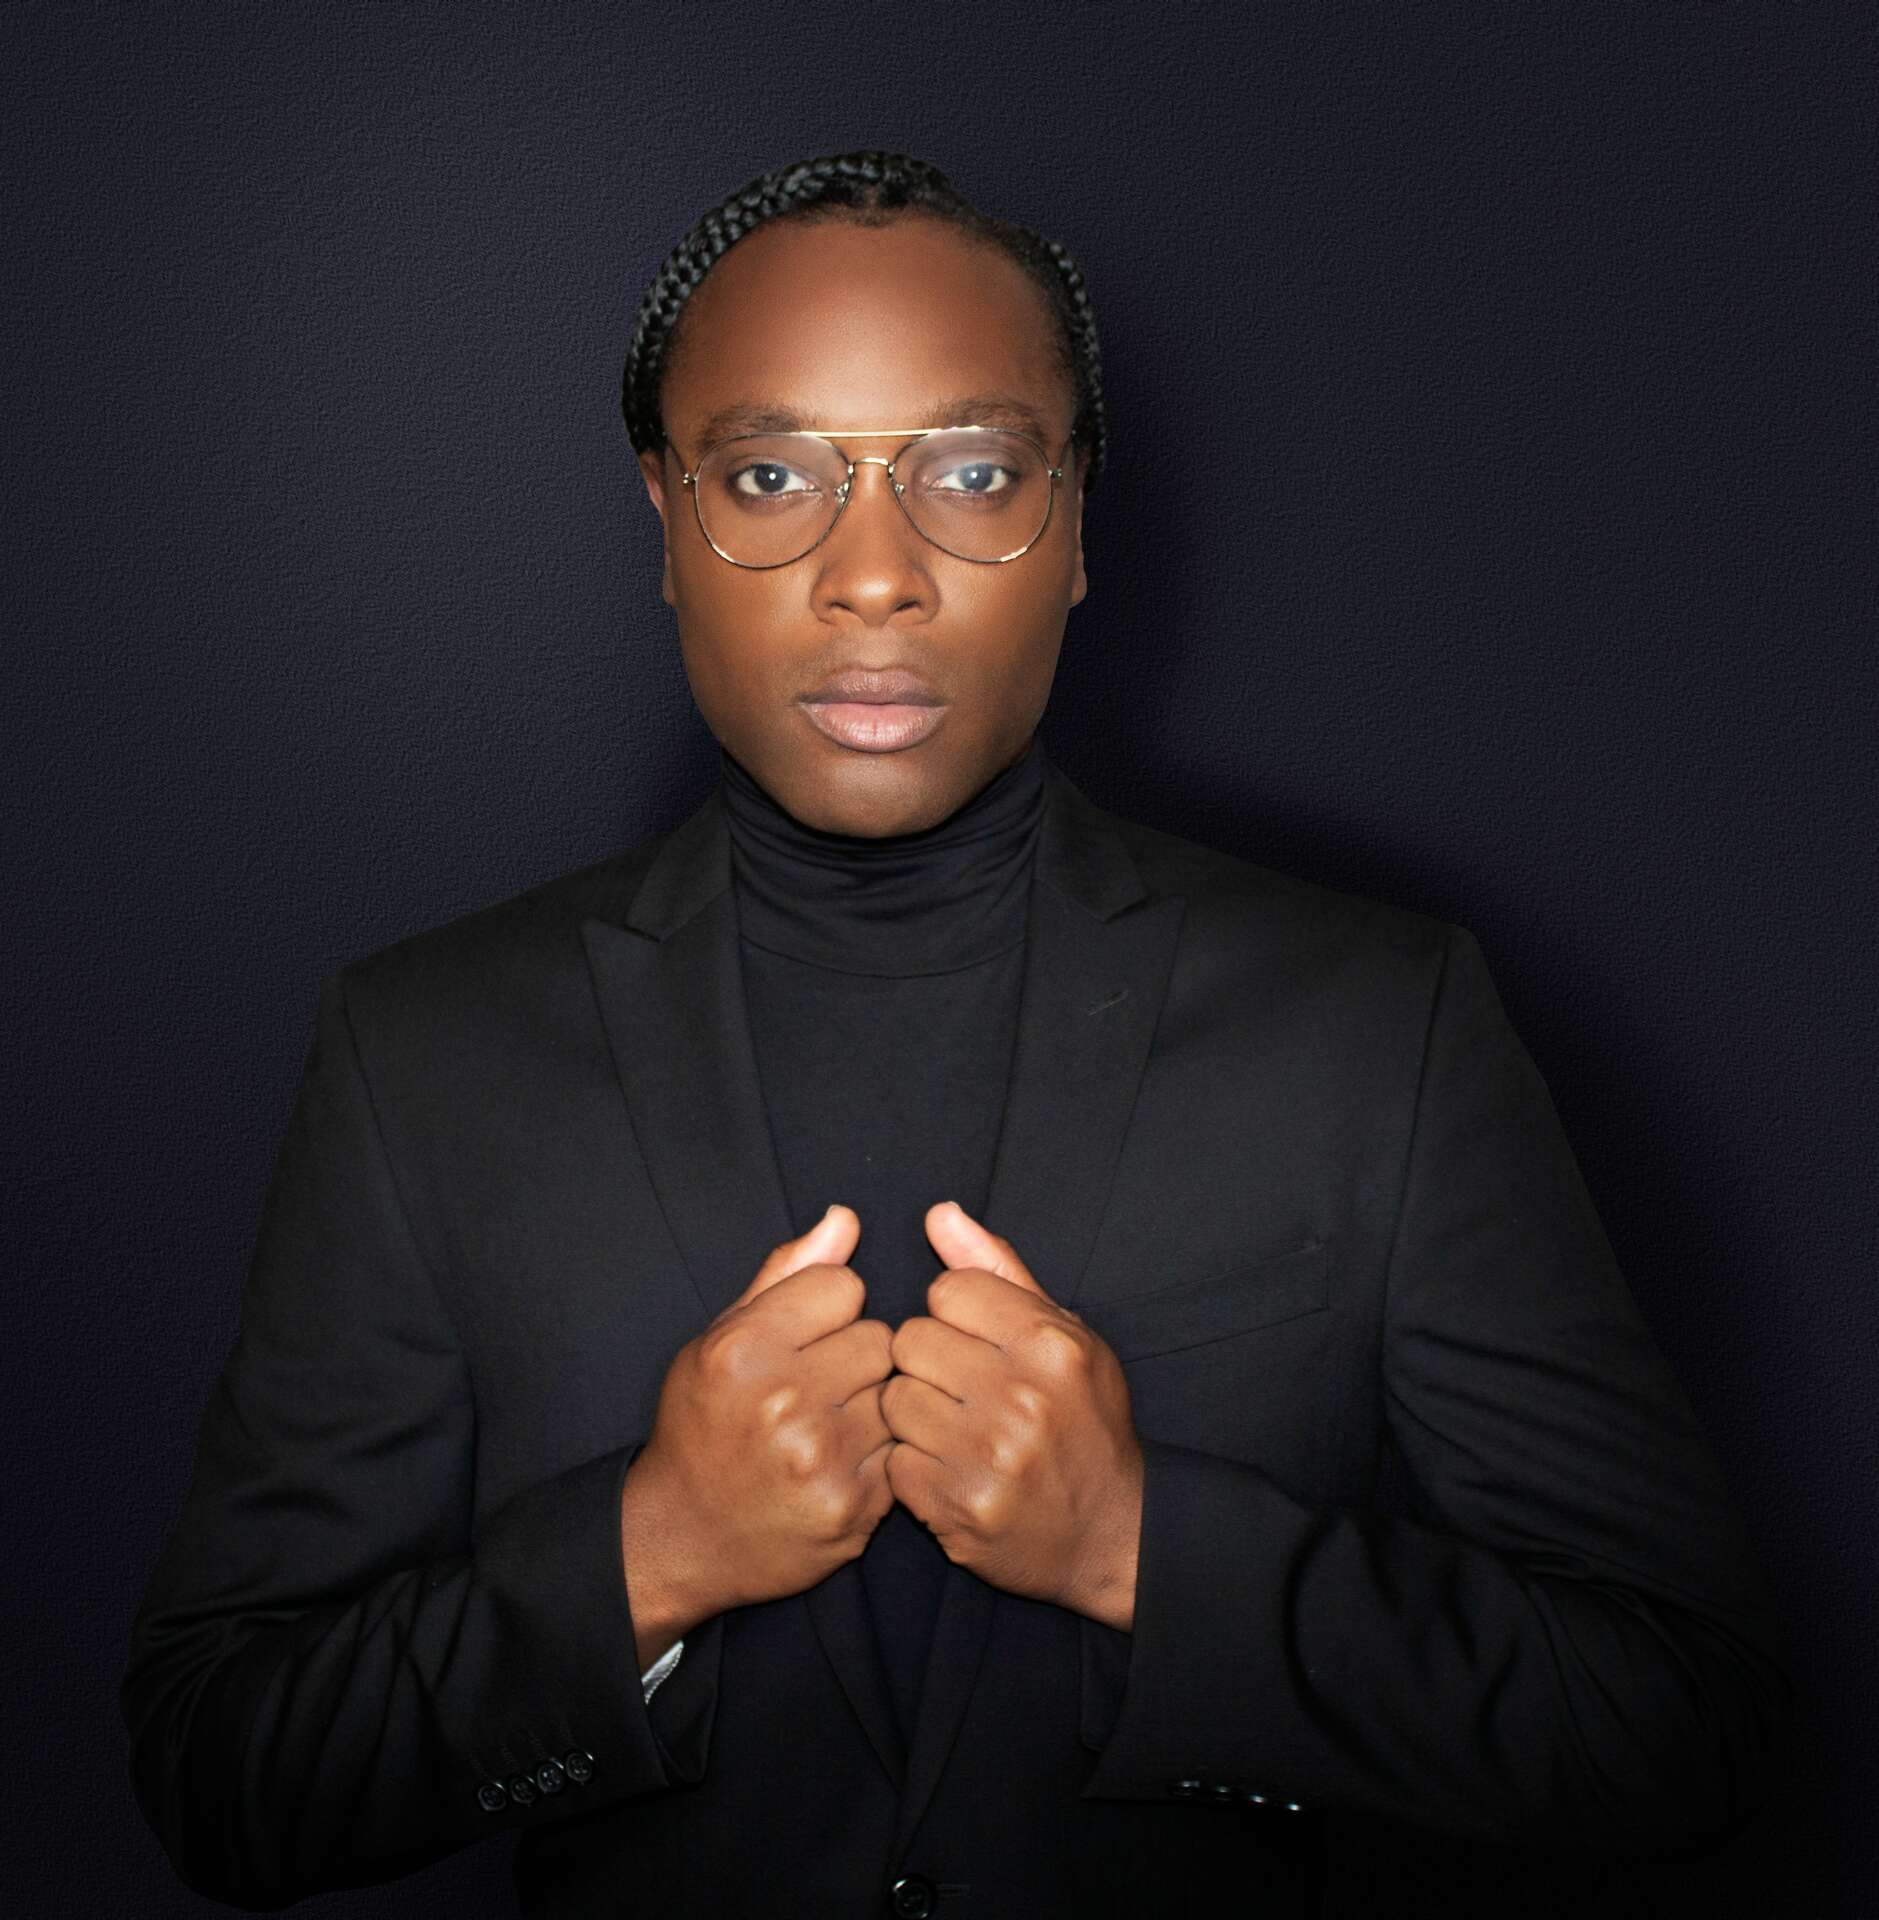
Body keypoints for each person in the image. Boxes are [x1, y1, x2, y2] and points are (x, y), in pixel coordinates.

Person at [122, 149, 1792, 1919]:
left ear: (1075, 529)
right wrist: (651, 1554)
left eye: (974, 473)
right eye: (771, 476)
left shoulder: (1382, 1027)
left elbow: (1680, 1720)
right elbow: (227, 1774)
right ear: (665, 523)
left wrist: (1145, 1550)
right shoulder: (422, 1054)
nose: (873, 577)